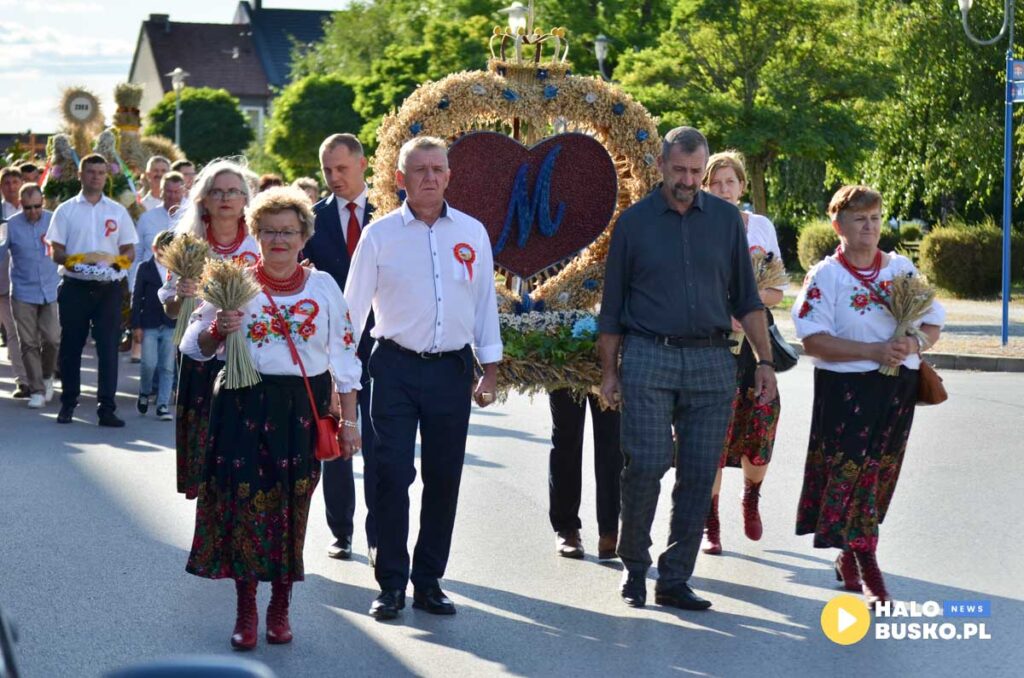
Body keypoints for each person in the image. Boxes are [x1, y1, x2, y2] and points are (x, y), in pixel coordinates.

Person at [597, 127, 777, 611]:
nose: (689, 180)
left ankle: (675, 578)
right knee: (648, 463)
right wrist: (609, 372)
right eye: (679, 170)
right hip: (648, 355)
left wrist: (764, 361)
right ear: (661, 166)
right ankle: (635, 567)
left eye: (697, 172)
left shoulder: (724, 221)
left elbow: (747, 296)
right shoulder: (633, 224)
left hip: (712, 360)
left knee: (699, 472)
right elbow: (612, 306)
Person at [180, 186, 362, 649]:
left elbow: (344, 356)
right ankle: (246, 610)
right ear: (256, 235)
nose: (278, 240)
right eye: (269, 231)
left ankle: (280, 606)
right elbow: (193, 347)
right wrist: (219, 329)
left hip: (302, 409)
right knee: (244, 507)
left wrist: (349, 421)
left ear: (304, 237)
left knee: (291, 508)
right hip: (242, 404)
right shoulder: (233, 281)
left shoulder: (323, 287)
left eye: (288, 231)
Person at [346, 136, 502, 621]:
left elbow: (483, 305)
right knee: (389, 475)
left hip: (450, 371)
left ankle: (429, 580)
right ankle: (390, 582)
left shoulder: (472, 233)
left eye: (438, 169)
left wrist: (489, 369)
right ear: (400, 179)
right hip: (393, 367)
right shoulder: (379, 236)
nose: (430, 177)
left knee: (444, 477)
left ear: (450, 176)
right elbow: (351, 316)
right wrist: (342, 384)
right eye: (419, 170)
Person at [792, 185, 944, 604]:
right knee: (850, 473)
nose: (870, 226)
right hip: (846, 391)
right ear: (838, 226)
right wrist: (871, 351)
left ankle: (851, 552)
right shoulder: (826, 276)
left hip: (897, 388)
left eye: (876, 218)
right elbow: (813, 340)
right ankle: (866, 559)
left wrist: (912, 346)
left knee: (879, 475)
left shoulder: (900, 269)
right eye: (860, 219)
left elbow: (932, 322)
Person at [700, 151, 787, 554]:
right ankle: (709, 519)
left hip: (755, 347)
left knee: (761, 424)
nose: (723, 189)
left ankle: (751, 496)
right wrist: (722, 311)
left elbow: (777, 291)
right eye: (715, 183)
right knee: (710, 434)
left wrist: (747, 307)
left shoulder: (762, 227)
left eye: (729, 182)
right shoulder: (696, 222)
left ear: (741, 186)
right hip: (712, 345)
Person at [163, 160, 260, 499]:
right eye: (216, 192)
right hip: (202, 359)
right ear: (203, 198)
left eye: (234, 191)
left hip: (253, 355)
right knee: (208, 451)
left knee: (245, 450)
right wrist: (180, 295)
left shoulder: (262, 242)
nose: (225, 198)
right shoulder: (189, 247)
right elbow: (172, 310)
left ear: (246, 198)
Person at [304, 133, 377, 564]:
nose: (333, 178)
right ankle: (341, 530)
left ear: (363, 164)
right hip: (330, 347)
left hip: (382, 343)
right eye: (327, 170)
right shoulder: (313, 221)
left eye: (341, 169)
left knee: (381, 440)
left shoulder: (391, 213)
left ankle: (377, 531)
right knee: (336, 437)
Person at [46, 154, 138, 426]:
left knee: (108, 349)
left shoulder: (117, 211)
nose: (95, 176)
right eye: (90, 172)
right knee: (71, 347)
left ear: (105, 176)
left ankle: (106, 409)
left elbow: (129, 248)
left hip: (108, 289)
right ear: (80, 175)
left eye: (100, 172)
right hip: (75, 287)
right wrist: (76, 261)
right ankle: (68, 404)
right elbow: (56, 250)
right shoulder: (66, 210)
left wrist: (117, 264)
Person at [0, 183, 59, 408]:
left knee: (53, 339)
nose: (33, 212)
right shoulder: (11, 225)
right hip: (23, 291)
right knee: (28, 342)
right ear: (21, 205)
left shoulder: (53, 220)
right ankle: (36, 389)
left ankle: (46, 376)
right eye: (28, 208)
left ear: (43, 203)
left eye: (37, 206)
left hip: (50, 289)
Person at [547, 388, 621, 559]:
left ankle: (610, 530)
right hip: (567, 365)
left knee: (613, 441)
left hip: (611, 366)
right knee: (566, 439)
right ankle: (566, 528)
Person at [132, 230, 176, 420]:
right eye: (161, 251)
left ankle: (163, 404)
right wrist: (136, 326)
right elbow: (137, 298)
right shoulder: (145, 268)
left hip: (170, 324)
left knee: (167, 366)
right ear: (154, 249)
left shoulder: (178, 270)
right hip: (149, 323)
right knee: (149, 363)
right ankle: (144, 391)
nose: (164, 255)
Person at [0, 166, 28, 396]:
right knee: (13, 331)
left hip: (30, 280)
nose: (11, 187)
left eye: (14, 182)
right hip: (3, 282)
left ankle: (41, 375)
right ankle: (23, 380)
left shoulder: (32, 209)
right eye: (6, 183)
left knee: (37, 334)